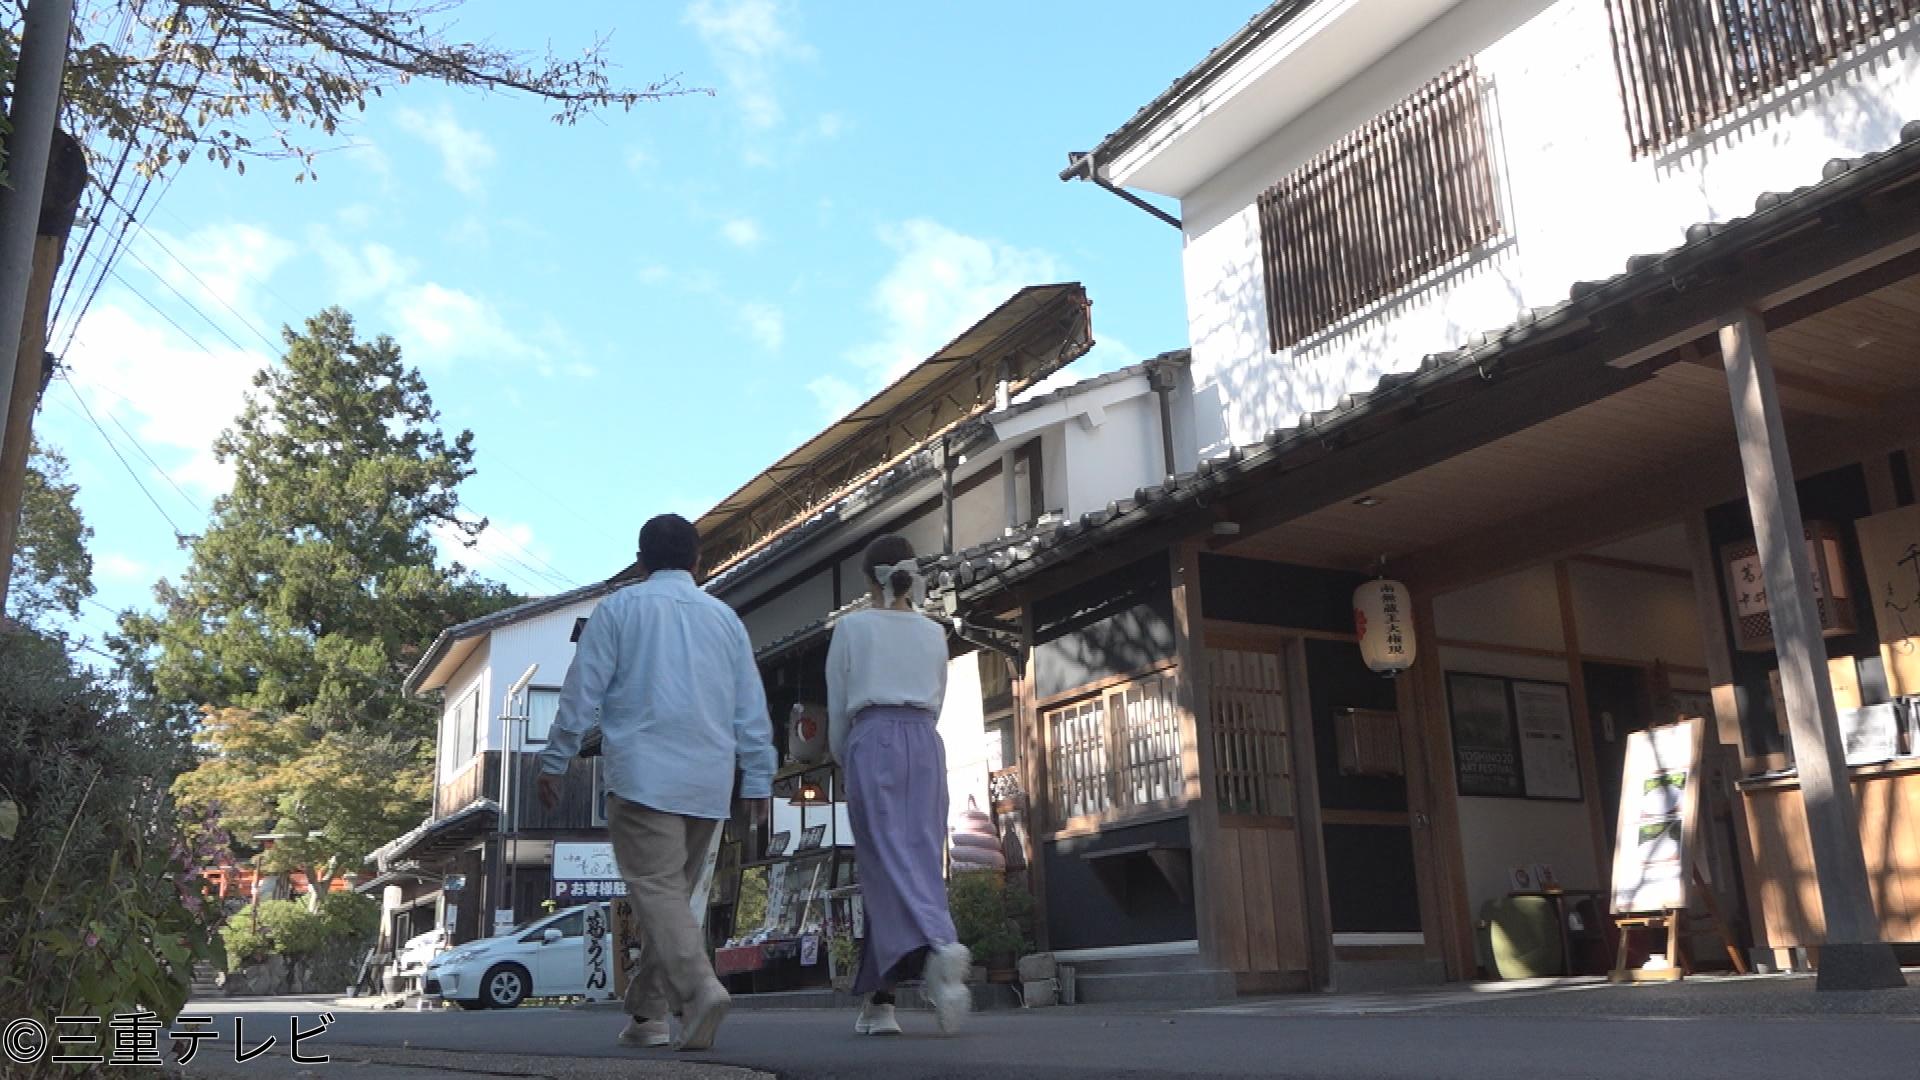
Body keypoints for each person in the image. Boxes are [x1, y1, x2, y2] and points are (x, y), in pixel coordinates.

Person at [539, 514, 775, 1053]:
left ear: (640, 561)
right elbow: (750, 707)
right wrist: (758, 776)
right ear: (699, 562)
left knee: (658, 894)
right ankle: (648, 1015)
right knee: (669, 899)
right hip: (710, 780)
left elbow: (581, 692)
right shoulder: (724, 619)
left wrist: (556, 760)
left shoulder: (618, 610)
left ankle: (698, 990)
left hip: (645, 775)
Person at [827, 534, 970, 1038]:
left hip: (873, 739)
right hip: (926, 743)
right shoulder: (934, 633)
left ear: (870, 579)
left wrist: (846, 756)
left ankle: (938, 944)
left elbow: (837, 705)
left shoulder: (851, 628)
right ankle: (880, 1000)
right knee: (920, 856)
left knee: (882, 867)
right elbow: (939, 696)